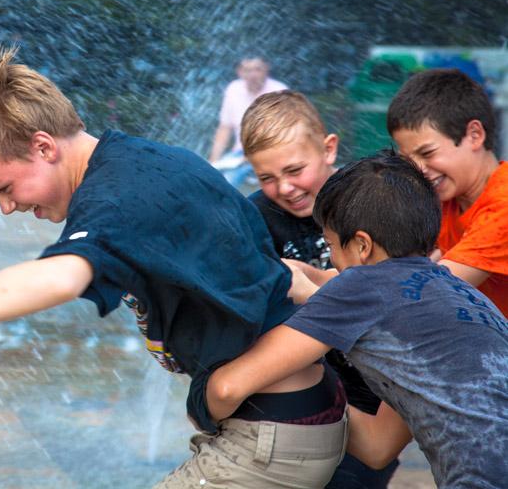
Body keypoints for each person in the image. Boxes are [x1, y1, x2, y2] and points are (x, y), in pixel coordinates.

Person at [0, 47, 349, 488]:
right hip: (286, 420)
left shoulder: (114, 200)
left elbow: (59, 277)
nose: (6, 208)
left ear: (43, 146)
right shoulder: (141, 159)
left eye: (5, 188)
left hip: (271, 437)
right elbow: (273, 268)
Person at [206, 151, 508, 489]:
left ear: (362, 245)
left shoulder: (363, 283)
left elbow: (226, 387)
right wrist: (306, 393)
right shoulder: (464, 298)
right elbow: (377, 446)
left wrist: (205, 401)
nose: (332, 258)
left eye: (331, 245)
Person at [241, 91, 400, 487]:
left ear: (329, 148)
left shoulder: (372, 202)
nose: (285, 187)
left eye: (295, 170)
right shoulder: (253, 218)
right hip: (291, 400)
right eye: (267, 177)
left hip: (368, 398)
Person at [387, 68, 508, 314]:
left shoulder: (503, 204)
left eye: (427, 153)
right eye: (407, 159)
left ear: (474, 135)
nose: (417, 170)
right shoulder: (443, 200)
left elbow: (432, 291)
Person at [208, 56, 288, 187]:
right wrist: (213, 161)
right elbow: (224, 128)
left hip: (272, 153)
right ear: (239, 72)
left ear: (266, 70)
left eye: (257, 69)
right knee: (210, 179)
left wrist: (253, 156)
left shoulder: (279, 91)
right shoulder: (233, 89)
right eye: (247, 70)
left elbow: (284, 132)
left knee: (228, 183)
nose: (252, 75)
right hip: (239, 155)